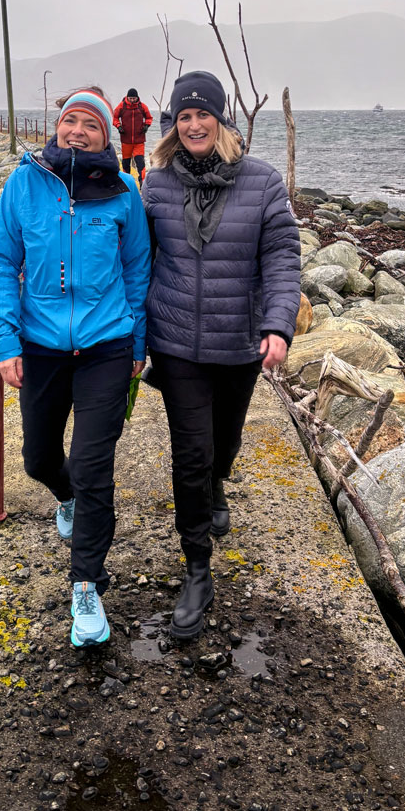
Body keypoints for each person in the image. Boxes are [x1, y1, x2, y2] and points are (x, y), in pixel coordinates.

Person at [0, 86, 151, 647]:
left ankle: (86, 586)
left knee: (92, 462)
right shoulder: (24, 183)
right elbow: (1, 261)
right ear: (57, 126)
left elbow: (137, 273)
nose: (77, 130)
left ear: (108, 136)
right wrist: (6, 341)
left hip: (106, 344)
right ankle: (67, 499)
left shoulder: (125, 191)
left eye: (91, 124)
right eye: (70, 120)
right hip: (40, 344)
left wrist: (136, 345)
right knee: (37, 459)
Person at [142, 70, 301, 640]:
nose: (192, 125)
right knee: (190, 451)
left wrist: (278, 325)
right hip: (177, 339)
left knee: (224, 443)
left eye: (202, 114)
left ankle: (217, 485)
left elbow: (283, 258)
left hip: (238, 341)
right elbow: (139, 259)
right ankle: (197, 567)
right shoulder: (156, 184)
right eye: (183, 117)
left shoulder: (261, 182)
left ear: (221, 119)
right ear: (173, 125)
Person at [112, 87, 153, 181]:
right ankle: (126, 182)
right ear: (127, 97)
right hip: (126, 140)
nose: (132, 100)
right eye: (130, 98)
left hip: (139, 140)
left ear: (137, 98)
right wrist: (119, 126)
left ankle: (142, 183)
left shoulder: (142, 106)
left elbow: (149, 118)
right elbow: (114, 118)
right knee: (126, 164)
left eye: (134, 98)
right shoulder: (122, 106)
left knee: (140, 163)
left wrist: (146, 125)